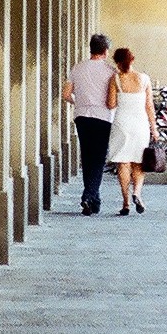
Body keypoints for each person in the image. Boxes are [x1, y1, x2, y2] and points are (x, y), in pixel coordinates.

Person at [62, 33, 115, 216]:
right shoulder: (111, 71)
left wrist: (79, 101)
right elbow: (113, 99)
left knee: (87, 156)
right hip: (103, 117)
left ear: (90, 48)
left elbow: (66, 94)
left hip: (82, 116)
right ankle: (88, 194)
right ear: (106, 51)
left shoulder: (77, 68)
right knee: (98, 159)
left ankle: (94, 200)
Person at [106, 47, 159, 216]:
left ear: (117, 62)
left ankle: (126, 203)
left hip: (122, 124)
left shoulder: (115, 79)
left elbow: (111, 104)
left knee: (123, 162)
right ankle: (137, 192)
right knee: (138, 163)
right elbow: (149, 106)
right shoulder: (144, 79)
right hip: (140, 124)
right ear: (132, 60)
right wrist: (154, 128)